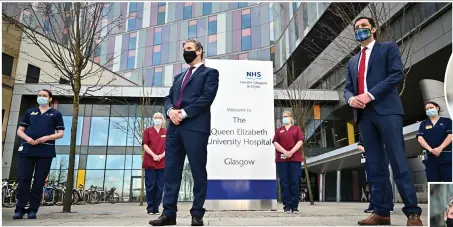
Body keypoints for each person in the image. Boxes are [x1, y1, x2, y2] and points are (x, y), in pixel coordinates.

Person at [344, 16, 423, 226]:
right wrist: (351, 98)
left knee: (397, 160)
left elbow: (396, 75)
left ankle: (413, 213)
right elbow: (347, 87)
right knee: (375, 165)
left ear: (373, 29)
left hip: (387, 111)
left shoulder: (388, 48)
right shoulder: (352, 61)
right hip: (364, 116)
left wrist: (370, 95)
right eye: (357, 28)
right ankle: (381, 211)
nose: (360, 30)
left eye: (364, 26)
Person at [149, 38, 219, 226]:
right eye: (184, 49)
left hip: (195, 128)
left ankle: (197, 214)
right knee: (171, 172)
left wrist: (184, 113)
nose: (185, 52)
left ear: (199, 51)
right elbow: (168, 97)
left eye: (189, 49)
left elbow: (207, 98)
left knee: (197, 171)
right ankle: (169, 214)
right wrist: (170, 111)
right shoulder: (179, 77)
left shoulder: (210, 73)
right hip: (174, 129)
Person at [13, 89, 65, 219]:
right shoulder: (30, 112)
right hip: (28, 149)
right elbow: (20, 130)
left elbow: (60, 133)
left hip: (45, 151)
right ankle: (20, 208)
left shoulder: (55, 114)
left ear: (50, 99)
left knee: (38, 181)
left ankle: (33, 210)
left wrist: (46, 138)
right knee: (24, 179)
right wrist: (28, 139)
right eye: (40, 95)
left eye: (44, 96)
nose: (41, 97)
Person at [272, 111, 304, 214]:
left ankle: (295, 207)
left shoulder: (297, 129)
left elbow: (300, 141)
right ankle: (286, 206)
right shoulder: (279, 130)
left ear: (291, 118)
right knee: (284, 182)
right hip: (282, 160)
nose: (284, 118)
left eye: (286, 116)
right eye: (283, 117)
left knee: (294, 182)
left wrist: (291, 152)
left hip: (294, 159)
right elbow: (275, 142)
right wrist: (285, 152)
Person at [416, 101, 452, 182]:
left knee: (450, 181)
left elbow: (451, 135)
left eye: (431, 108)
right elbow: (420, 138)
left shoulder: (447, 121)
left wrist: (440, 148)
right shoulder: (423, 124)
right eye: (427, 109)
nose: (429, 110)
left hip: (446, 156)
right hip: (429, 157)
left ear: (437, 108)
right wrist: (430, 150)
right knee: (433, 183)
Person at [358, 136, 394, 214]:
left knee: (385, 181)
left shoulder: (381, 129)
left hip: (381, 158)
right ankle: (373, 205)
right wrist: (367, 151)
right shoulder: (364, 132)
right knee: (371, 182)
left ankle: (389, 205)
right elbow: (359, 145)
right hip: (368, 159)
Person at [143, 112, 167, 215]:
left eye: (159, 117)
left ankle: (156, 208)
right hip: (150, 162)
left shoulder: (166, 132)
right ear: (153, 119)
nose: (157, 119)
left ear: (163, 120)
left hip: (162, 163)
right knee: (150, 186)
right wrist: (153, 155)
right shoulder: (148, 131)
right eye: (156, 117)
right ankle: (150, 208)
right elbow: (145, 145)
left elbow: (169, 147)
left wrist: (161, 156)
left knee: (160, 186)